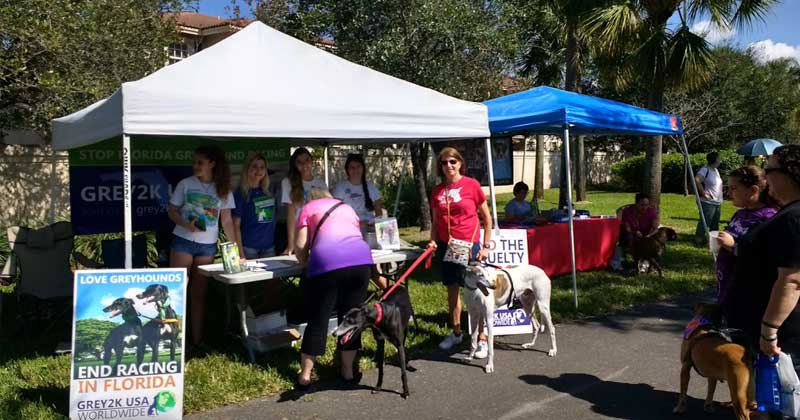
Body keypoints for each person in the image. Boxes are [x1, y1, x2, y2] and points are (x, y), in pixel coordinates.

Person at [721, 146, 800, 364]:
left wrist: (769, 330)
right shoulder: (788, 212)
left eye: (769, 169)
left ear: (789, 174)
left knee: (782, 393)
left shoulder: (794, 218)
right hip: (754, 319)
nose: (765, 176)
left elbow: (792, 280)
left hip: (782, 333)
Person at [294, 187, 373, 388]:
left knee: (318, 318)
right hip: (360, 261)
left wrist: (303, 260)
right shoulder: (347, 208)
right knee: (351, 318)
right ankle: (347, 371)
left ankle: (305, 374)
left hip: (327, 263)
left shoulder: (308, 208)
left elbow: (301, 247)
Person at [168, 145, 236, 349]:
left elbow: (227, 221)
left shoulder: (223, 188)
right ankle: (174, 342)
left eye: (200, 162)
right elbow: (172, 210)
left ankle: (197, 341)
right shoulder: (186, 184)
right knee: (176, 293)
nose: (195, 166)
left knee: (198, 295)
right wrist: (185, 224)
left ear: (212, 164)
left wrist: (236, 250)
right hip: (183, 241)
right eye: (194, 162)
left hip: (208, 246)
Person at [427, 147, 493, 356]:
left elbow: (487, 218)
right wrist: (432, 241)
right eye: (445, 163)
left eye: (452, 162)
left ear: (460, 163)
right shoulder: (437, 191)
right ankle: (456, 332)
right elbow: (436, 222)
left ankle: (482, 337)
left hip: (469, 245)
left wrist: (485, 245)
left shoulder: (471, 185)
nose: (449, 166)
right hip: (448, 246)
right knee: (452, 289)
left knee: (476, 293)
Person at [714, 166, 776, 307]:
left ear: (753, 190)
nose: (728, 192)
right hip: (727, 288)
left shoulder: (768, 219)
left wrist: (732, 247)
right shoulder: (741, 214)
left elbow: (764, 257)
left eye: (734, 188)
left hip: (748, 296)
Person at [281, 147, 327, 255]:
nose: (304, 164)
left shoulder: (321, 183)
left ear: (312, 161)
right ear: (295, 165)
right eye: (299, 162)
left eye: (307, 160)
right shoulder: (288, 182)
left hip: (318, 232)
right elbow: (291, 214)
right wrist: (291, 244)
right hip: (300, 231)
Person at [233, 153, 276, 259]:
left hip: (269, 247)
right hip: (249, 248)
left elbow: (273, 218)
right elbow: (235, 225)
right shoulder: (240, 194)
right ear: (247, 169)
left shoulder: (268, 192)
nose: (259, 170)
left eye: (262, 167)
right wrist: (240, 253)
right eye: (254, 167)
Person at [610, 192, 659, 272]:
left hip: (647, 236)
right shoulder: (628, 211)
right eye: (642, 205)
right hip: (631, 234)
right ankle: (618, 264)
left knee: (649, 243)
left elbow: (655, 228)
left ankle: (645, 264)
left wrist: (649, 235)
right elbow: (627, 228)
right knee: (625, 239)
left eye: (647, 204)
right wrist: (634, 232)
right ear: (636, 204)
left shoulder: (651, 212)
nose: (645, 207)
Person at [333, 153, 383, 226]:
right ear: (347, 170)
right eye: (352, 167)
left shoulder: (371, 187)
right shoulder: (340, 187)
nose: (355, 170)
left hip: (369, 227)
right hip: (348, 227)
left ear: (363, 168)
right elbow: (336, 212)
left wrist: (375, 225)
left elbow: (379, 212)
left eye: (358, 166)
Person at [694, 151, 723, 245]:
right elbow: (697, 180)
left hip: (717, 202)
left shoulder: (716, 170)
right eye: (719, 158)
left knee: (715, 223)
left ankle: (712, 241)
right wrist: (704, 193)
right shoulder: (705, 169)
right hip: (708, 202)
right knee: (705, 222)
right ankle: (698, 240)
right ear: (715, 159)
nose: (720, 161)